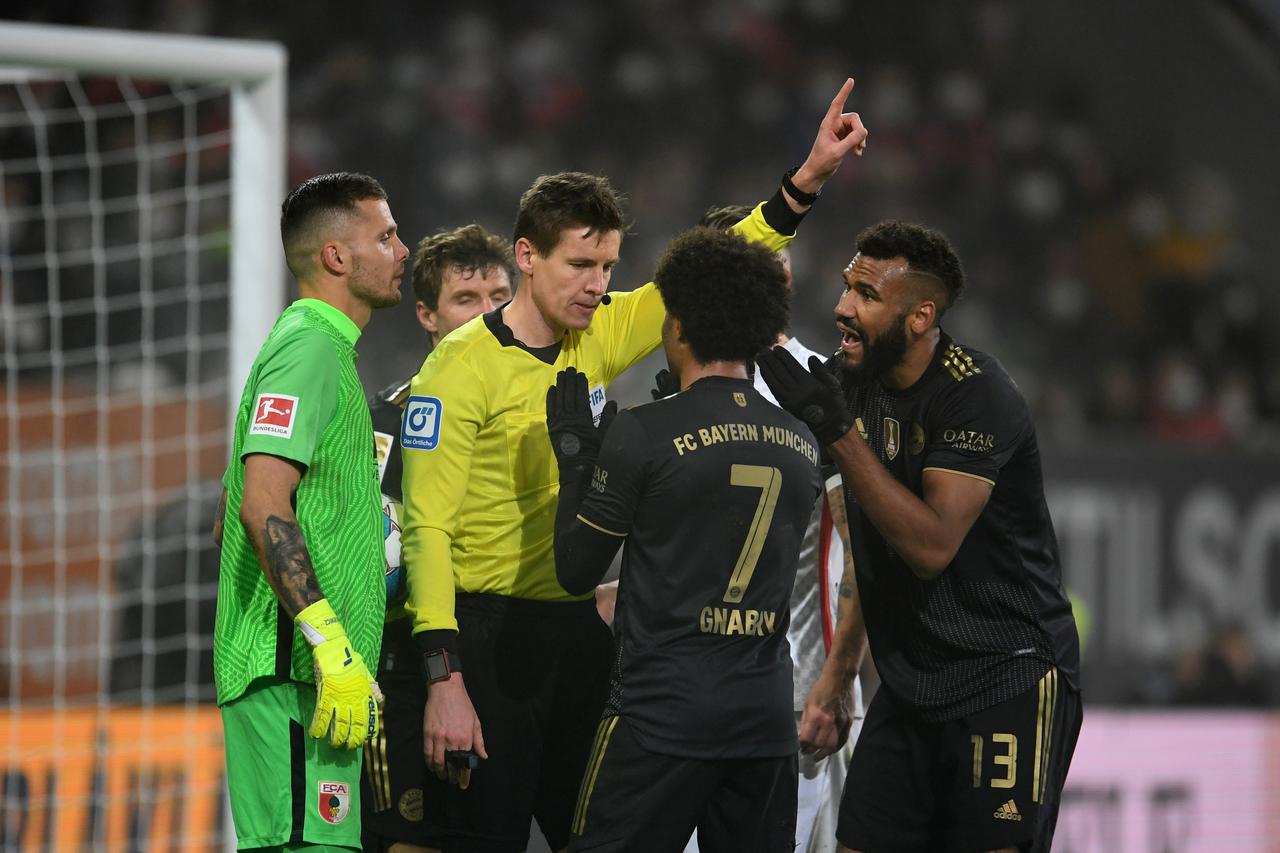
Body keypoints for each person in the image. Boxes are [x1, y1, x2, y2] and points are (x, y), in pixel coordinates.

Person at [399, 80, 868, 853]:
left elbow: (718, 268)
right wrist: (444, 677)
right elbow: (427, 530)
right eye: (581, 264)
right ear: (526, 256)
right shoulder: (455, 369)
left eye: (609, 265)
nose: (597, 285)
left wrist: (807, 181)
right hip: (488, 640)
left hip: (577, 634)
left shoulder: (601, 326)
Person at [756, 220, 1082, 853]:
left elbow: (930, 549)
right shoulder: (851, 385)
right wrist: (840, 671)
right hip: (911, 685)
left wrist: (837, 432)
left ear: (920, 316)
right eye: (848, 286)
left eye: (867, 295)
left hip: (1005, 677)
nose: (843, 307)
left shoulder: (976, 395)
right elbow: (866, 544)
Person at [547, 227, 821, 851]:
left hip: (661, 715)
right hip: (764, 721)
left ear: (677, 326)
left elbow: (575, 569)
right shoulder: (801, 441)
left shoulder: (645, 431)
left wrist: (577, 464)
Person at [212, 172, 409, 851]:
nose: (402, 251)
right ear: (336, 256)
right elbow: (260, 504)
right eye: (386, 237)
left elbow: (228, 510)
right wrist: (329, 642)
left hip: (313, 681)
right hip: (295, 675)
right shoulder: (310, 347)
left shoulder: (319, 350)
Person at [679, 205, 867, 853]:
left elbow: (862, 547)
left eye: (778, 268)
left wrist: (836, 681)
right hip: (692, 692)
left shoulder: (822, 387)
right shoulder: (672, 388)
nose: (771, 282)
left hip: (798, 694)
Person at [362, 224, 516, 853]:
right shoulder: (385, 423)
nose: (487, 315)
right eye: (466, 300)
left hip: (508, 662)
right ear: (426, 315)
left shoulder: (542, 411)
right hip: (405, 671)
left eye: (499, 298)